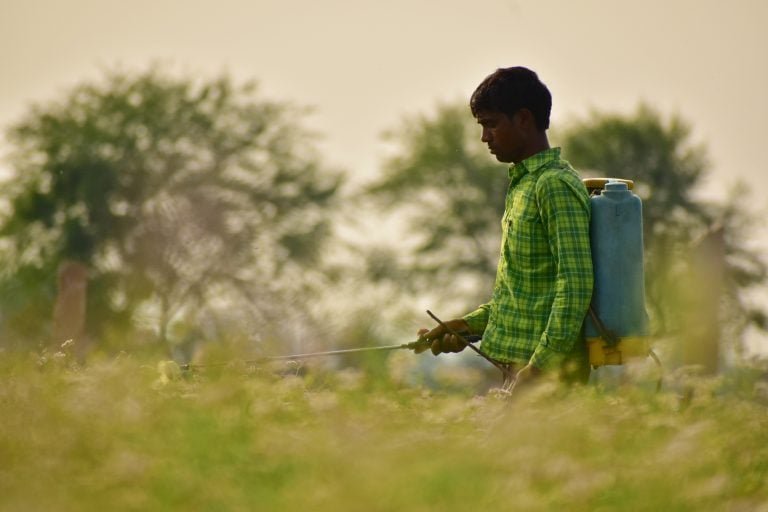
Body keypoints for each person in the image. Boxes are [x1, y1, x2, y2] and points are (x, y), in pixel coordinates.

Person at [416, 67, 593, 391]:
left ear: (524, 119)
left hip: (547, 378)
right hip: (520, 371)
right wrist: (467, 326)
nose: (485, 137)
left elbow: (575, 285)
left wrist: (540, 368)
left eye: (491, 124)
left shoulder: (554, 185)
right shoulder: (524, 184)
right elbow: (525, 293)